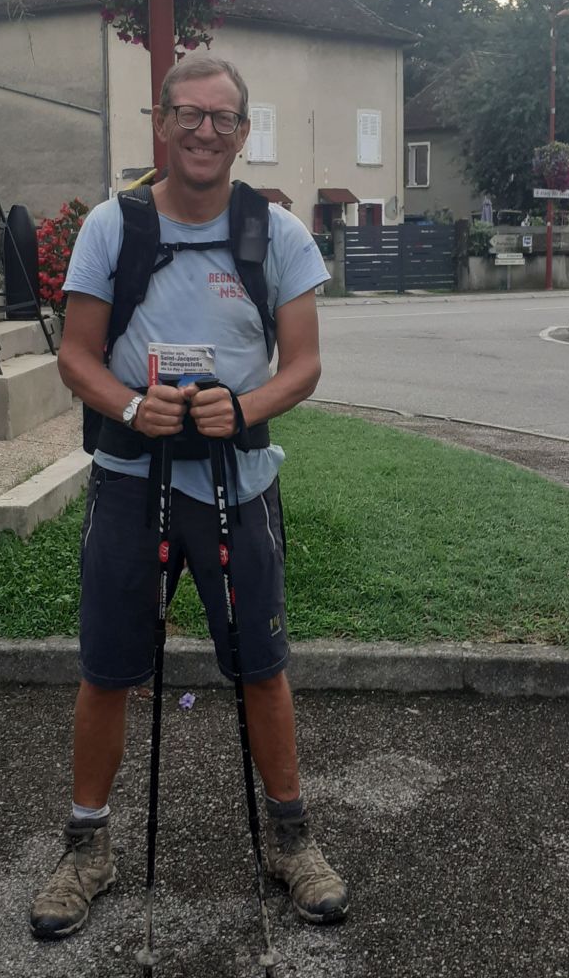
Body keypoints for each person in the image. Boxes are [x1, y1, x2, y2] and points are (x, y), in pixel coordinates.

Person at [30, 55, 349, 939]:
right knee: (107, 671)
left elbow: (304, 366)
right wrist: (136, 407)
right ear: (162, 123)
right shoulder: (113, 226)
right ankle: (86, 848)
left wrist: (240, 409)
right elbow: (76, 356)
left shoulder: (278, 234)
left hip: (237, 487)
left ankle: (291, 839)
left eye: (223, 118)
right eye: (189, 115)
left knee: (262, 667)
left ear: (243, 133)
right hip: (132, 483)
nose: (206, 131)